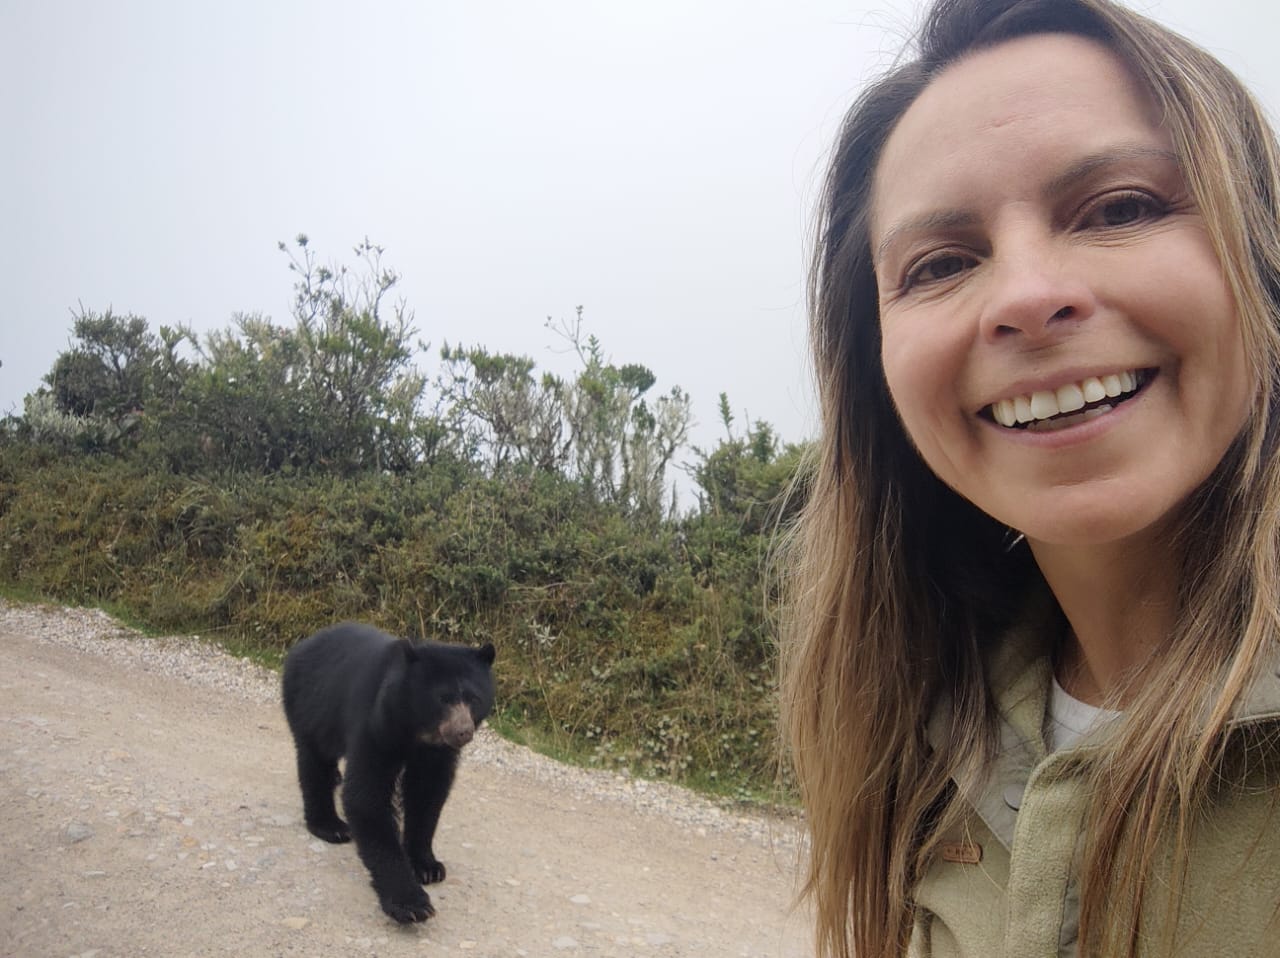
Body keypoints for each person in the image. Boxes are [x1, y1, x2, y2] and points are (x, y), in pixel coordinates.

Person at [778, 0, 1280, 956]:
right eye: (940, 264)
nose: (1022, 297)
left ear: (1261, 254)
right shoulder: (921, 727)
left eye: (1122, 207)